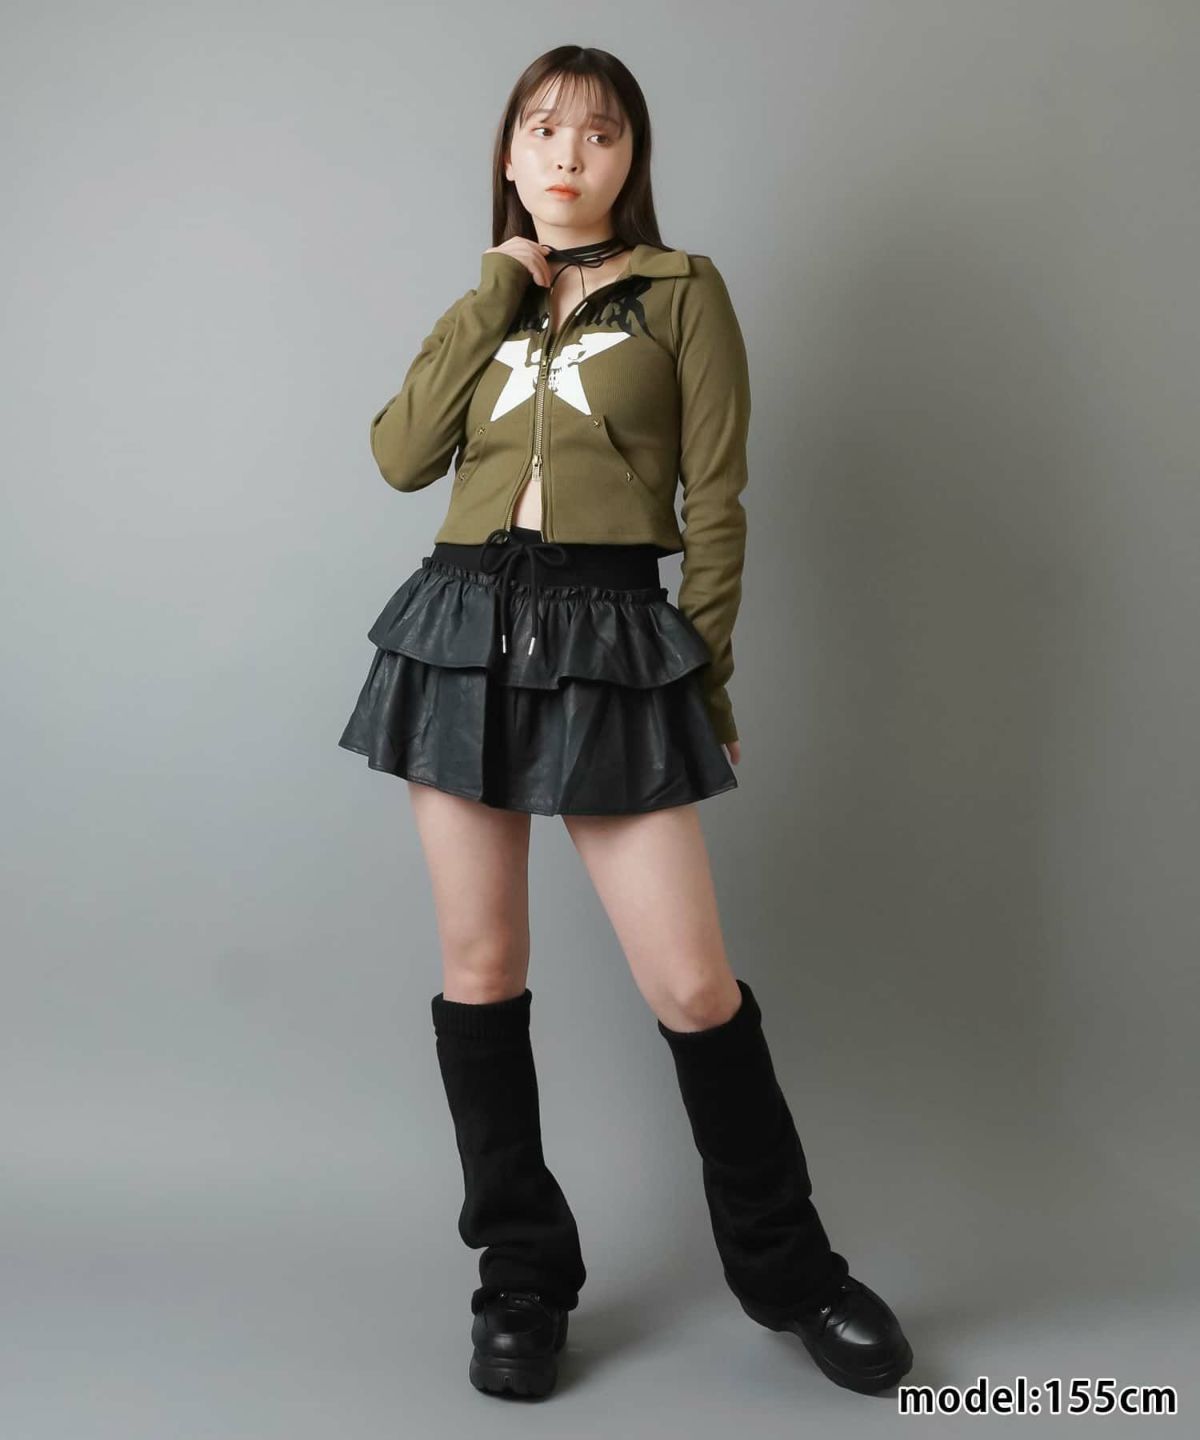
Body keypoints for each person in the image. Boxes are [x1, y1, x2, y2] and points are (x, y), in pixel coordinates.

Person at [339, 45, 913, 1400]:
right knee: (481, 968)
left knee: (693, 987)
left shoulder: (684, 294)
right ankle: (521, 1272)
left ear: (631, 159)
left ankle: (791, 1272)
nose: (568, 154)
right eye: (542, 129)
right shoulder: (488, 297)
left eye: (598, 134)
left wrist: (703, 686)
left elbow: (718, 503)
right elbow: (400, 454)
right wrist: (500, 284)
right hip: (460, 627)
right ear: (508, 153)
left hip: (612, 635)